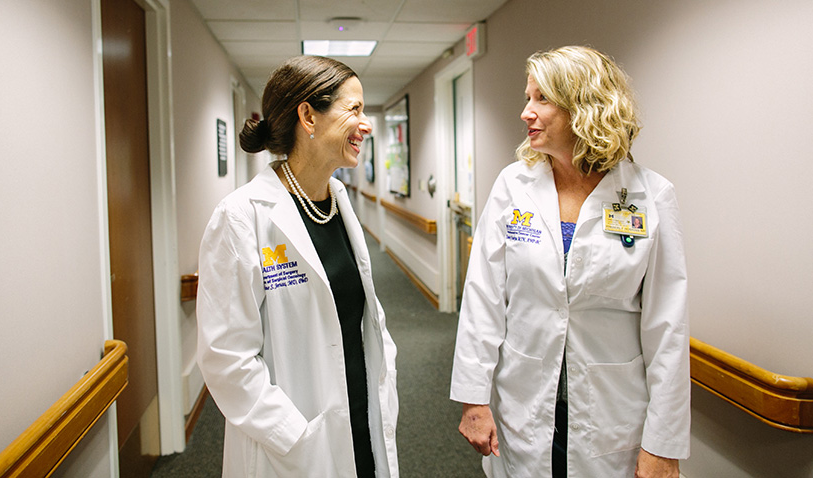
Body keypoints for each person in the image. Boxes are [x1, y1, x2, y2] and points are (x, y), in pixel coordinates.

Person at [450, 46, 690, 477]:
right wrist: (474, 399)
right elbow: (483, 296)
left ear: (585, 107)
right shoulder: (514, 186)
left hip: (613, 413)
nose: (526, 112)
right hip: (523, 401)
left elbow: (667, 328)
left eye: (542, 99)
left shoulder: (650, 196)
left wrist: (663, 443)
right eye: (528, 98)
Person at [196, 55, 399, 478]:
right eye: (354, 109)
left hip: (359, 416)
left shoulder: (338, 202)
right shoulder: (241, 217)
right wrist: (293, 435)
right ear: (308, 115)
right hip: (293, 444)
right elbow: (225, 358)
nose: (366, 124)